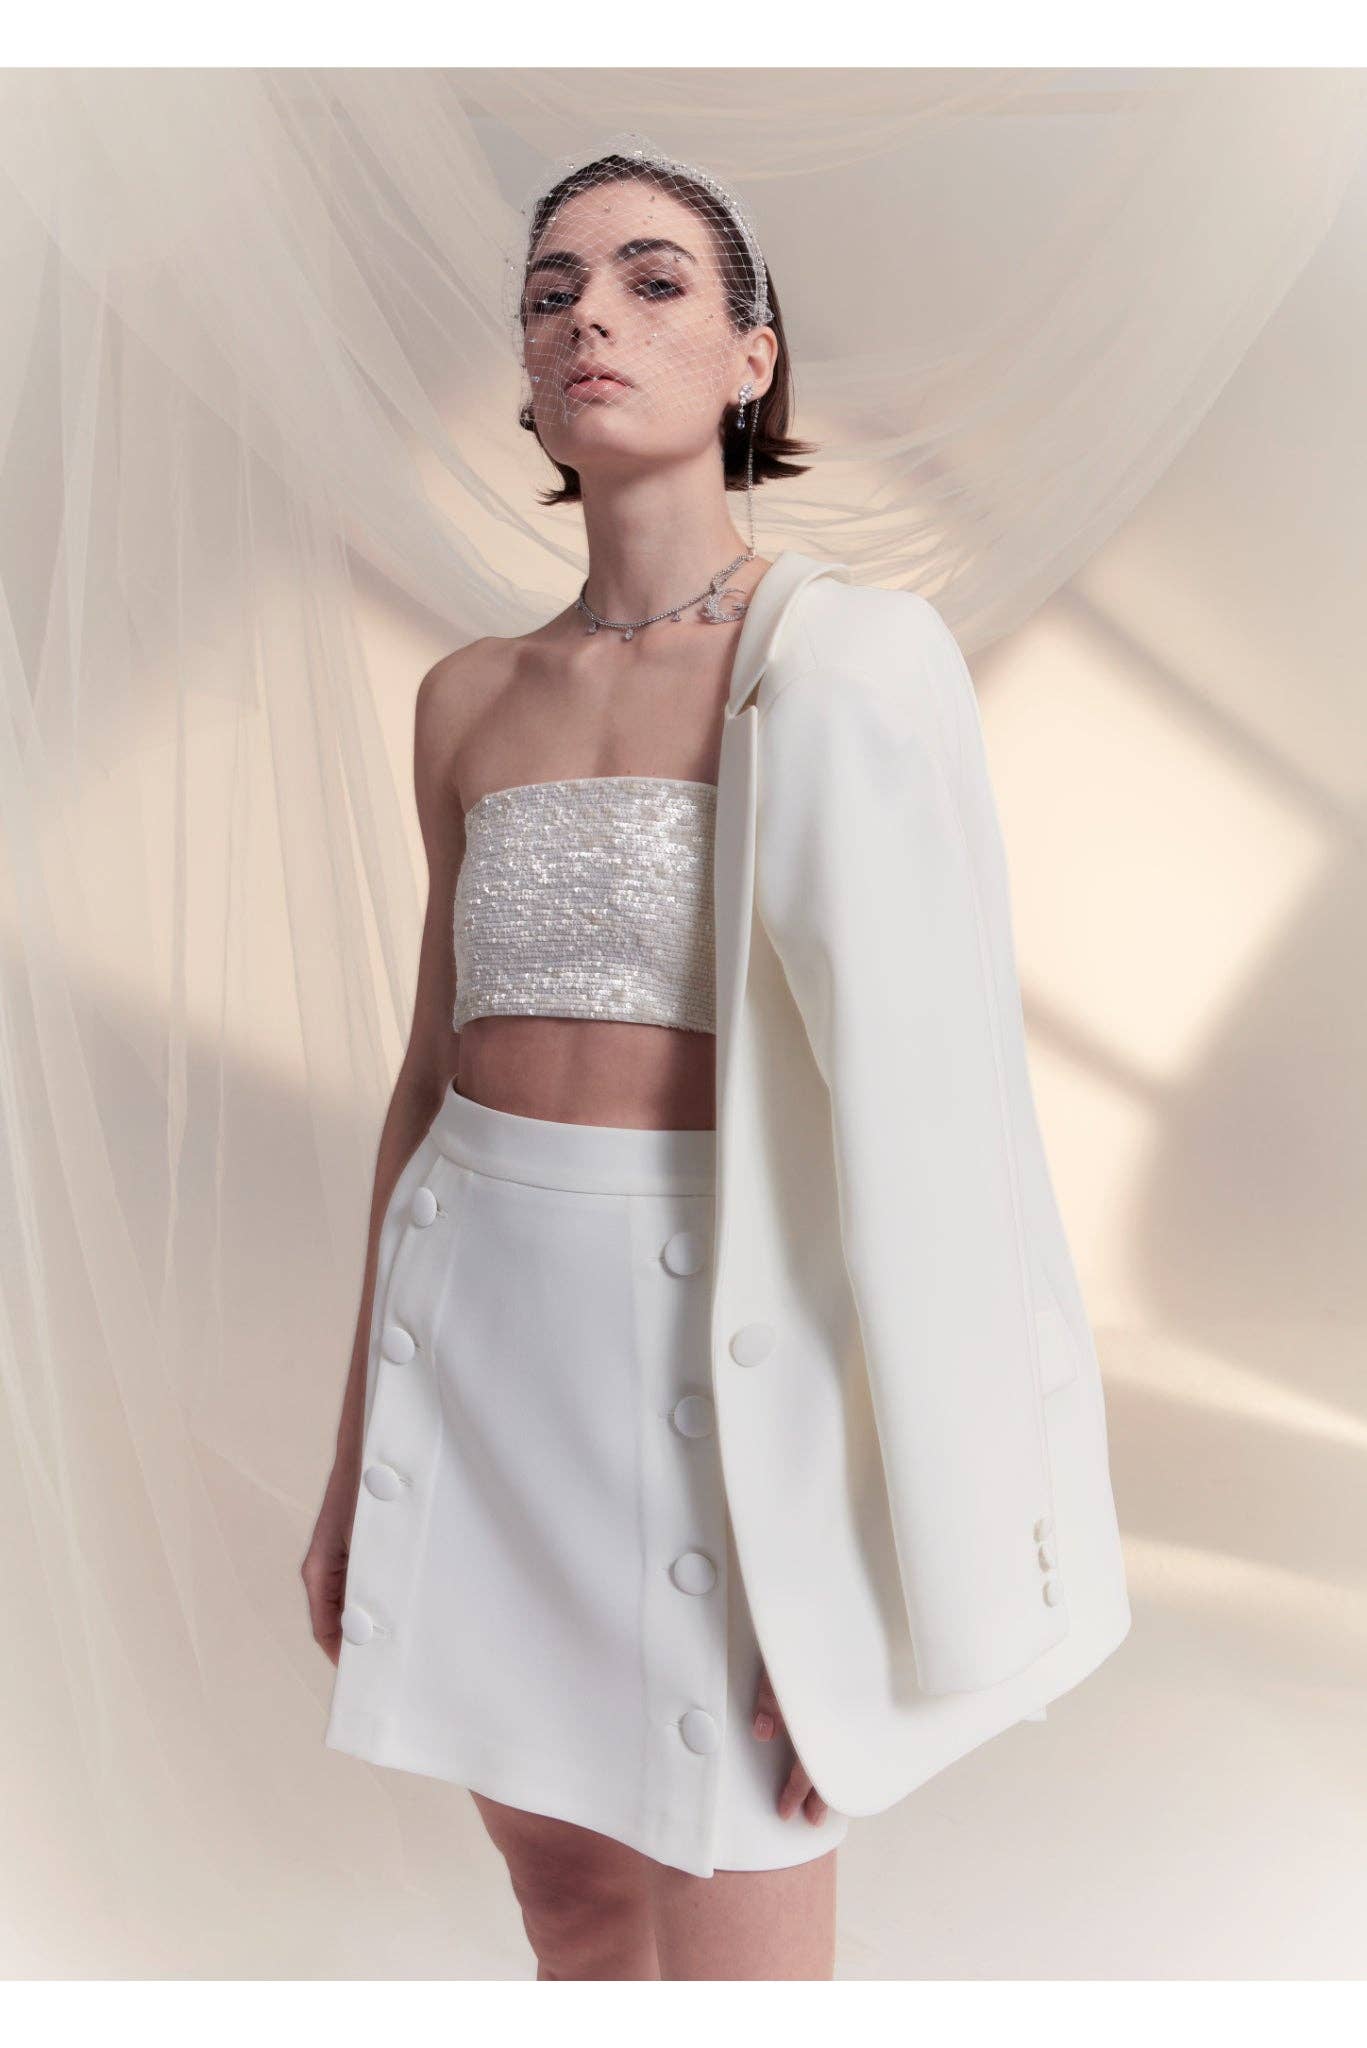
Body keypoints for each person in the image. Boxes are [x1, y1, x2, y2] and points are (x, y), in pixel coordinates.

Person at [301, 143, 1131, 1981]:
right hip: (487, 1355)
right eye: (552, 292)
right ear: (530, 374)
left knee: (743, 1916)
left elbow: (938, 1127)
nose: (588, 315)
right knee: (568, 1902)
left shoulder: (848, 663)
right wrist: (360, 1458)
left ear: (755, 359)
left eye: (653, 280)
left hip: (718, 1358)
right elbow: (425, 1081)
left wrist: (903, 1558)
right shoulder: (466, 696)